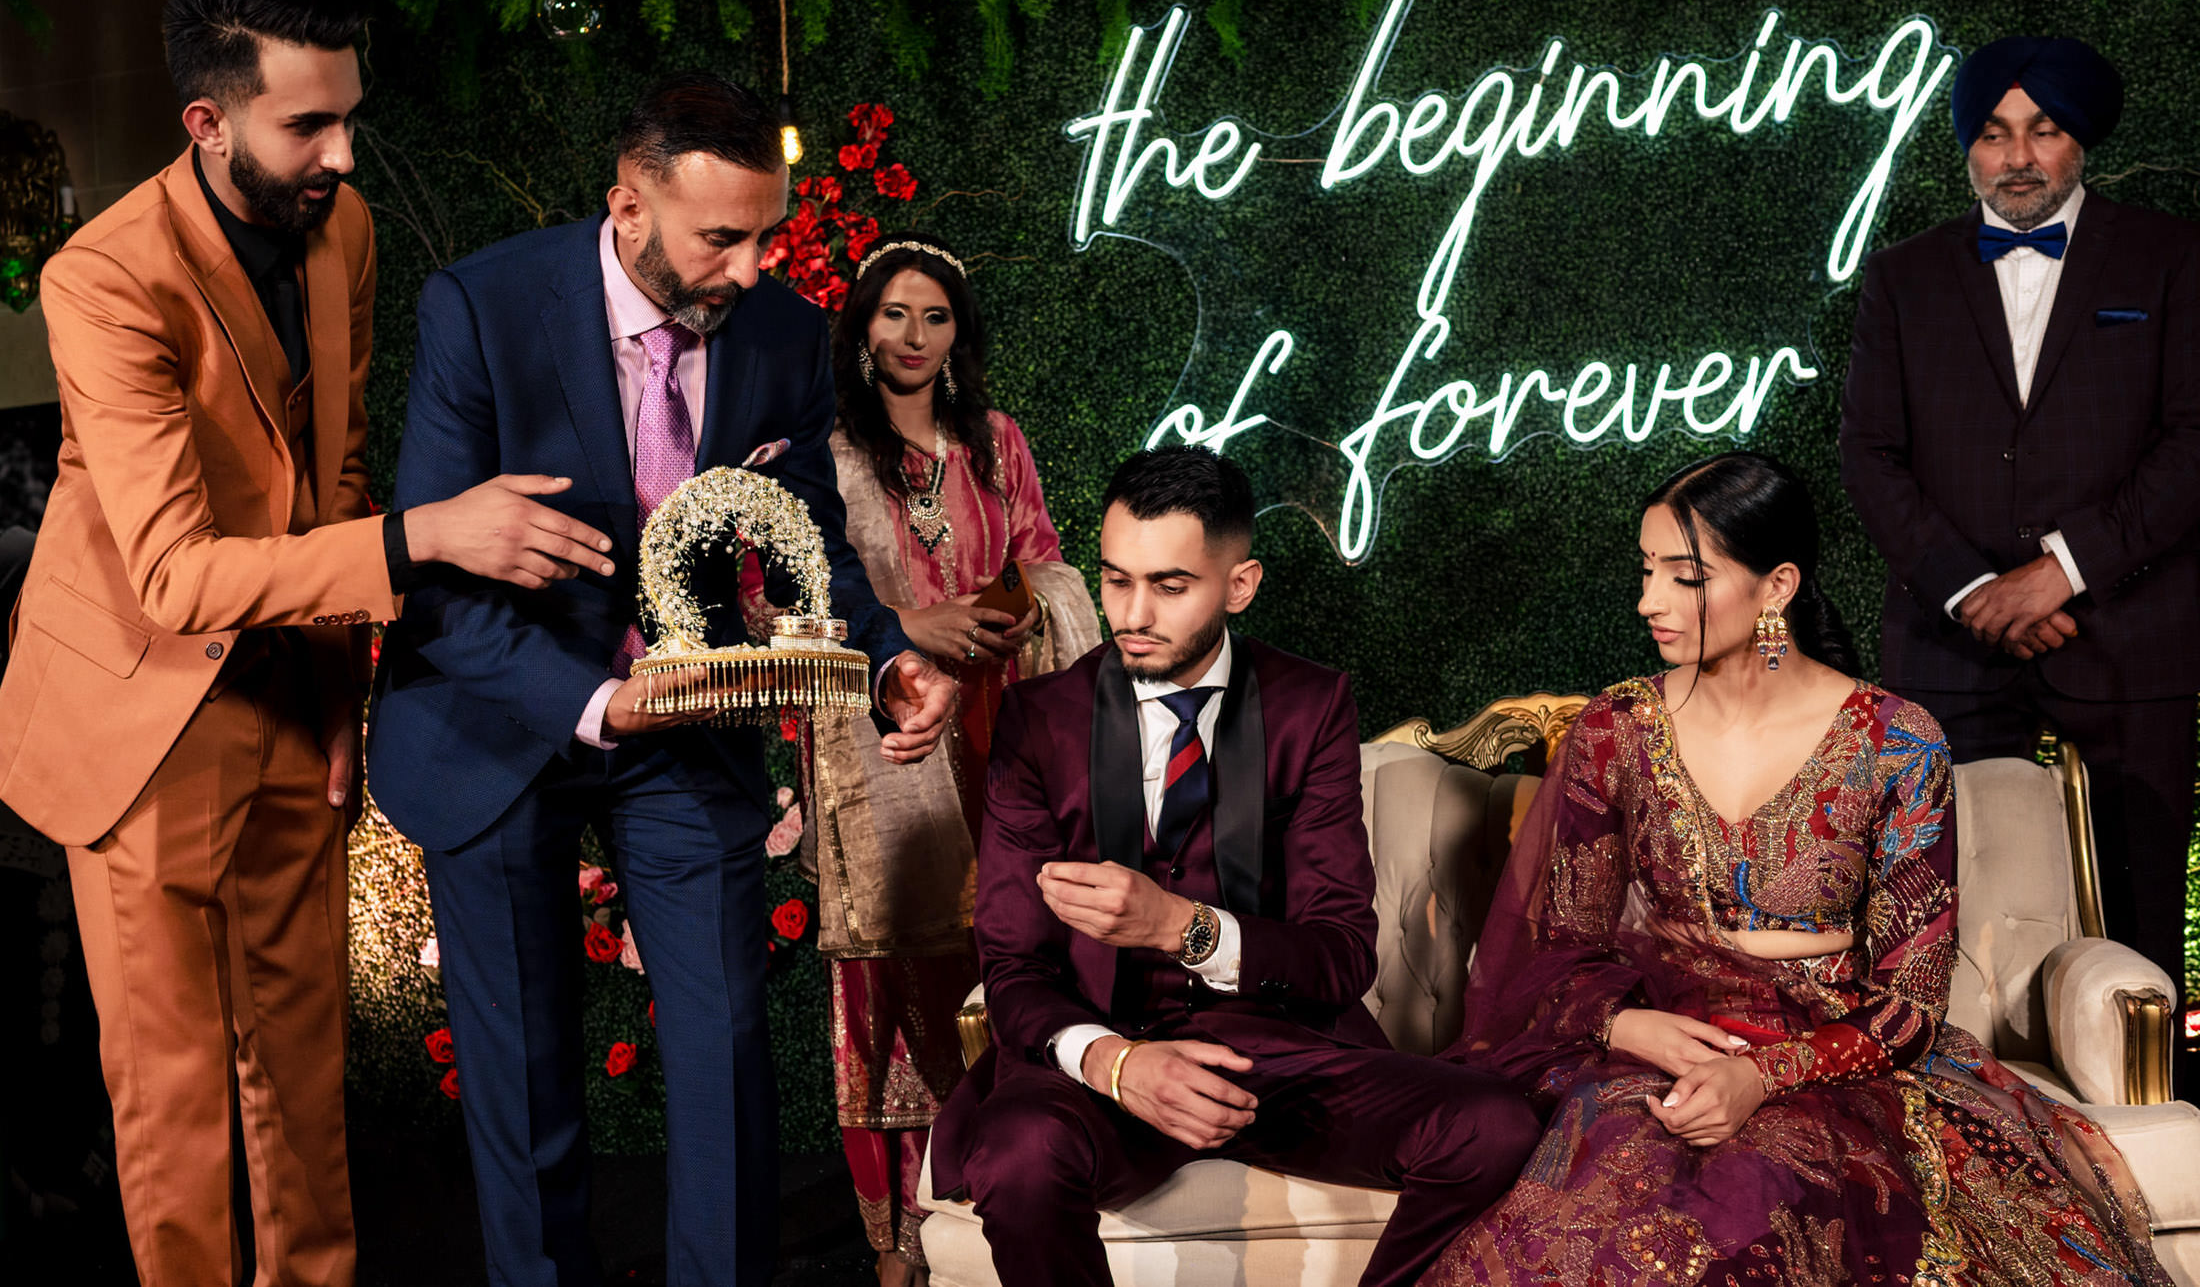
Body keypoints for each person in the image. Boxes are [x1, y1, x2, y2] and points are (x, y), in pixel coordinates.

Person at [0, 0, 616, 1287]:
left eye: (350, 116)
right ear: (206, 122)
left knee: (303, 1075)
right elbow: (174, 574)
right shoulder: (102, 279)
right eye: (307, 125)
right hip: (142, 718)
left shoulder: (344, 228)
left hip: (294, 698)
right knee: (176, 1103)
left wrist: (345, 701)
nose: (342, 152)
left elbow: (332, 468)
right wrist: (426, 536)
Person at [365, 72, 957, 1287]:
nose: (751, 268)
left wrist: (888, 658)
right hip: (499, 718)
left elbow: (807, 540)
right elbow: (437, 575)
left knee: (726, 1046)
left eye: (767, 235)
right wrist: (593, 702)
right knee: (524, 1075)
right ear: (628, 205)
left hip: (684, 726)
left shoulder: (782, 331)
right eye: (721, 238)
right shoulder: (481, 306)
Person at [1419, 451, 2169, 1286]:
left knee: (1770, 1187)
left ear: (1777, 586)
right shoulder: (1616, 729)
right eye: (1645, 570)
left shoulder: (1896, 742)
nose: (1649, 601)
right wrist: (1624, 1027)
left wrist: (1759, 1075)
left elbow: (1911, 1005)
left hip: (1833, 1061)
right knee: (1604, 1203)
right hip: (1658, 1049)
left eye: (1685, 577)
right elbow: (1554, 947)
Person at [926, 447, 1539, 1287]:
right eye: (1116, 581)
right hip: (1103, 1060)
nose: (1132, 614)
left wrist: (1182, 927)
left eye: (1170, 586)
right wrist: (1117, 1064)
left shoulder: (1308, 706)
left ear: (1239, 585)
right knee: (1018, 1154)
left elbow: (1340, 954)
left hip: (1272, 1054)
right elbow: (1011, 963)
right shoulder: (1041, 720)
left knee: (1496, 1126)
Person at [738, 234, 1101, 1284]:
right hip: (881, 738)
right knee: (887, 979)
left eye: (935, 316)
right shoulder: (822, 450)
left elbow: (1046, 565)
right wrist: (903, 627)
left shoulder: (995, 442)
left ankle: (1003, 1205)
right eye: (893, 312)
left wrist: (999, 616)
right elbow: (769, 601)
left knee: (1007, 949)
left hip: (999, 731)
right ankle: (896, 1243)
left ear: (958, 333)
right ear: (861, 325)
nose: (913, 335)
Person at [1839, 35, 2198, 1094]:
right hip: (1947, 647)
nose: (2018, 157)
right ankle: (1936, 1113)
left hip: (2129, 637)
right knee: (1929, 902)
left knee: (2139, 908)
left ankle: (2154, 1123)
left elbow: (2193, 442)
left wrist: (2060, 571)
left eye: (2042, 130)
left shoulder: (2172, 258)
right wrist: (1971, 590)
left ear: (2079, 140)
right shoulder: (1902, 276)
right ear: (1968, 148)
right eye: (1994, 134)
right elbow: (1870, 455)